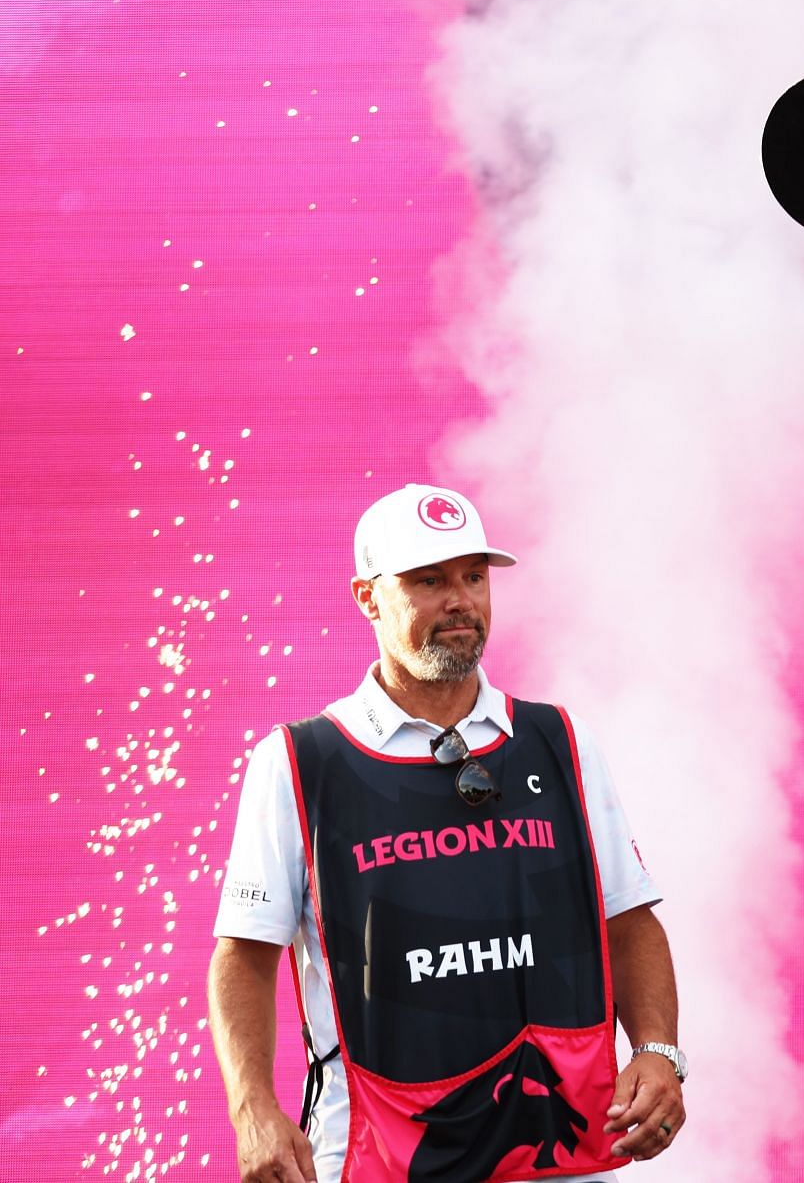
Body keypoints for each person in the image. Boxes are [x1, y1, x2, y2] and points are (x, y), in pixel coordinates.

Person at [208, 483, 687, 1183]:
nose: (460, 601)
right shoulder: (298, 760)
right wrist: (252, 1107)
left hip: (564, 1155)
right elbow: (243, 957)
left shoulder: (558, 738)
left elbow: (629, 919)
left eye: (473, 577)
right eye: (428, 581)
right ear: (367, 597)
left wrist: (658, 1051)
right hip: (376, 1152)